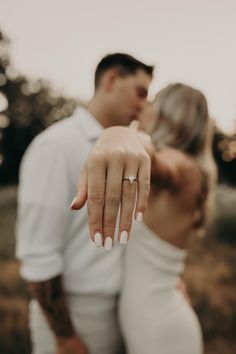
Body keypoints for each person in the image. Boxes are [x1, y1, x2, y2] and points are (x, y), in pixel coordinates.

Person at [16, 53, 154, 354]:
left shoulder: (132, 147)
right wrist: (65, 337)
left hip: (121, 311)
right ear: (111, 80)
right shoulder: (56, 146)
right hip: (77, 313)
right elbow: (38, 255)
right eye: (140, 92)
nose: (144, 104)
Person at [118, 83, 217, 354]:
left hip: (157, 323)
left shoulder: (179, 165)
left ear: (168, 114)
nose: (145, 107)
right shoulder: (190, 166)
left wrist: (119, 137)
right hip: (157, 314)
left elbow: (154, 161)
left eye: (153, 102)